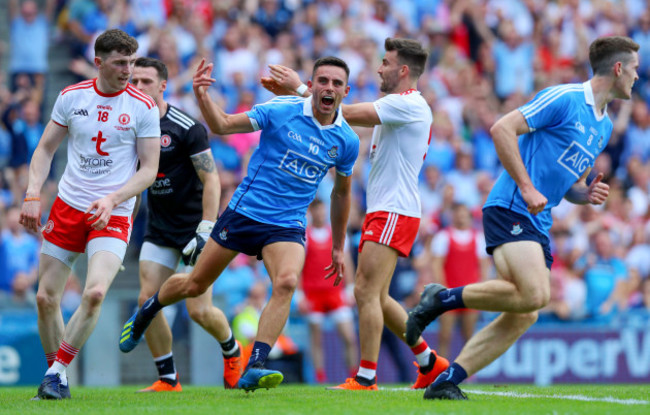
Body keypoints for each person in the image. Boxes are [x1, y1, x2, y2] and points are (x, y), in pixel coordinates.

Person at [405, 36, 639, 400]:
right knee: (535, 294)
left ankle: (445, 380)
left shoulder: (604, 126)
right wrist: (527, 187)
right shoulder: (565, 98)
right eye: (636, 70)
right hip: (510, 205)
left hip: (538, 220)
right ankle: (440, 299)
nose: (638, 78)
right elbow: (502, 128)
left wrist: (585, 194)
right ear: (619, 68)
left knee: (526, 311)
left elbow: (567, 186)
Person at [118, 56, 359, 392]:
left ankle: (255, 364)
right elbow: (224, 125)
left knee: (287, 282)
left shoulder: (347, 140)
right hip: (245, 213)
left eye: (336, 83)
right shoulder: (282, 108)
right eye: (323, 81)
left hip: (286, 224)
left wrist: (337, 245)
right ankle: (148, 310)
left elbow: (341, 195)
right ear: (312, 85)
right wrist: (202, 95)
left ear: (346, 91)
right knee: (194, 286)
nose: (328, 88)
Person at [263, 37, 449, 390]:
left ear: (403, 70)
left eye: (386, 61)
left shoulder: (407, 104)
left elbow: (342, 113)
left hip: (393, 210)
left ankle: (366, 376)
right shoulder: (402, 105)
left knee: (364, 291)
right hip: (389, 209)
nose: (379, 68)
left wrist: (301, 88)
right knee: (377, 296)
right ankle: (429, 362)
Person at [20, 29, 160, 400]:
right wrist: (33, 192)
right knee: (45, 299)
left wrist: (113, 199)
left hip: (113, 211)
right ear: (98, 63)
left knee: (95, 291)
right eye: (120, 62)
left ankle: (56, 372)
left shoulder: (142, 107)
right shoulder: (71, 97)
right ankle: (57, 377)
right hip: (68, 205)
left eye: (131, 61)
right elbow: (45, 149)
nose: (128, 70)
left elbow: (148, 170)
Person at [130, 56, 243, 392]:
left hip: (195, 228)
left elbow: (212, 180)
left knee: (199, 311)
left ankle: (232, 351)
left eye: (145, 82)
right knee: (145, 302)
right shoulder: (130, 126)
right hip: (160, 228)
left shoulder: (186, 127)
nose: (138, 88)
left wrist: (207, 228)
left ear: (163, 85)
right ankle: (168, 378)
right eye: (133, 82)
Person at [298, 199, 357, 384]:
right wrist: (299, 295)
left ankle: (354, 376)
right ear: (311, 212)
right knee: (316, 339)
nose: (321, 214)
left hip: (335, 293)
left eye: (324, 211)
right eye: (318, 211)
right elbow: (298, 266)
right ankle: (320, 378)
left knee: (349, 336)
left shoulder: (338, 235)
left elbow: (347, 261)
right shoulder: (305, 236)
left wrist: (350, 288)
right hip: (312, 294)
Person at [429, 203, 489, 359]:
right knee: (445, 335)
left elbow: (484, 266)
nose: (461, 217)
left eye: (464, 213)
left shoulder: (478, 238)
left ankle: (467, 373)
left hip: (470, 294)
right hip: (449, 293)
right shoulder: (443, 237)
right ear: (453, 216)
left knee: (469, 335)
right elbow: (437, 265)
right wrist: (443, 289)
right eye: (458, 213)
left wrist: (482, 289)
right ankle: (441, 370)